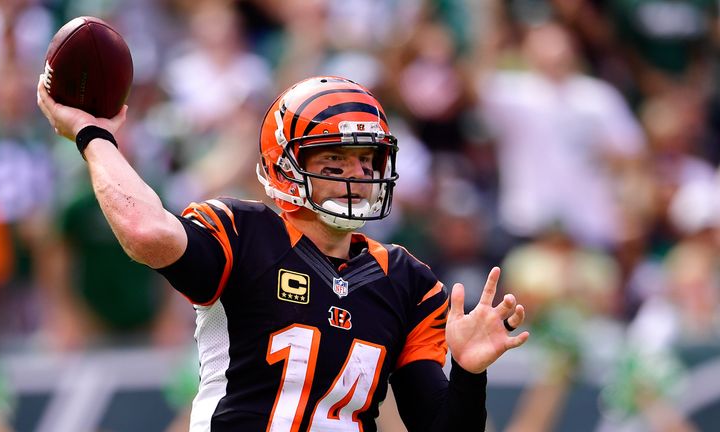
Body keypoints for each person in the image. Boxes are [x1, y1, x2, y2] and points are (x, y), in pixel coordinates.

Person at [36, 74, 529, 431]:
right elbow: (145, 231)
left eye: (366, 158)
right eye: (334, 157)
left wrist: (468, 373)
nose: (356, 172)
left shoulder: (408, 281)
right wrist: (93, 135)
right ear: (285, 166)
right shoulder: (243, 232)